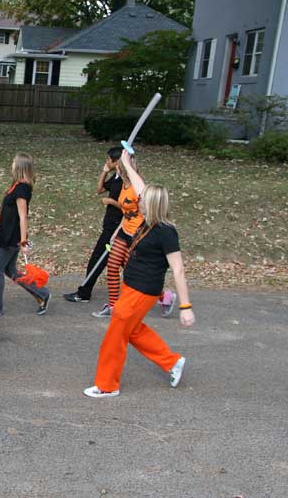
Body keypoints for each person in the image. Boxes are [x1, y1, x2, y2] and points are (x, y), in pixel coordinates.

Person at [84, 150, 194, 397]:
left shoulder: (166, 231)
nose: (138, 201)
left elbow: (177, 269)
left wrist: (185, 306)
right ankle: (171, 362)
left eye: (143, 200)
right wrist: (125, 163)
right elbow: (139, 185)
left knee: (114, 337)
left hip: (143, 291)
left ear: (152, 205)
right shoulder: (147, 219)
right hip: (132, 286)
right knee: (132, 331)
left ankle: (107, 385)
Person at [0, 152, 49, 344]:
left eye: (13, 163)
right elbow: (4, 214)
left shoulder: (23, 188)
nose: (11, 165)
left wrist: (24, 241)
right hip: (6, 235)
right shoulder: (16, 186)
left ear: (20, 167)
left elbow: (23, 216)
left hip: (11, 238)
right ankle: (43, 294)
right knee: (10, 270)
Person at [63, 147, 123, 304]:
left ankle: (84, 293)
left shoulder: (125, 180)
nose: (106, 161)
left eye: (108, 160)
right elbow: (100, 189)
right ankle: (162, 296)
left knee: (97, 259)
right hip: (110, 224)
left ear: (116, 161)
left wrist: (111, 202)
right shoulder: (116, 177)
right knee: (128, 264)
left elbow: (130, 207)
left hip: (116, 227)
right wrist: (104, 172)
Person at [90, 151, 145, 318]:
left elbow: (144, 213)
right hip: (124, 231)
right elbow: (126, 213)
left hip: (136, 234)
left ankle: (163, 296)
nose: (117, 171)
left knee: (133, 273)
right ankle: (113, 306)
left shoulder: (138, 187)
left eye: (119, 168)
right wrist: (116, 232)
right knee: (113, 266)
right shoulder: (123, 185)